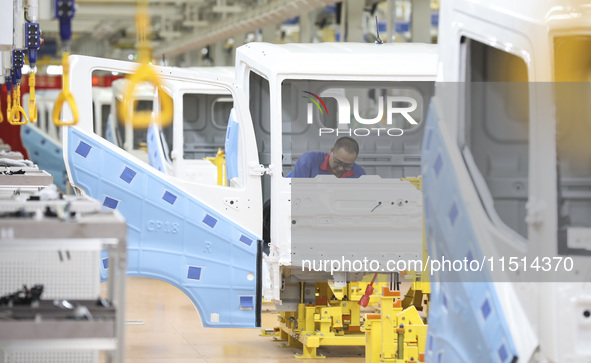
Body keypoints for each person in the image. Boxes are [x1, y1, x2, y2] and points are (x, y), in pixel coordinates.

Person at [287, 136, 366, 178]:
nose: (341, 168)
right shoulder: (308, 161)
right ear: (331, 151)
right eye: (338, 162)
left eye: (347, 166)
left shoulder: (359, 174)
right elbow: (294, 193)